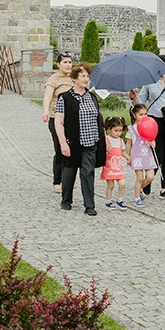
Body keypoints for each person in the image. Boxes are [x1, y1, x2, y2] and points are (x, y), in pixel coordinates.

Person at [129, 55, 165, 200]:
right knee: (156, 155)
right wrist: (134, 98)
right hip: (154, 122)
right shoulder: (150, 82)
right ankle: (148, 182)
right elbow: (141, 102)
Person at [53, 62, 102, 216]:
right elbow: (58, 122)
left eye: (88, 76)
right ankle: (66, 200)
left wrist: (104, 139)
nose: (86, 79)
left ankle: (89, 205)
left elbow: (98, 120)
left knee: (88, 173)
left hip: (90, 142)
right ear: (74, 78)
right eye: (83, 76)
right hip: (72, 141)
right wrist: (62, 143)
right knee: (69, 172)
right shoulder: (64, 98)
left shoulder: (92, 97)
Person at [41, 54, 75, 192]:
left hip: (72, 119)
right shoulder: (54, 79)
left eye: (70, 62)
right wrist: (45, 111)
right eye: (65, 62)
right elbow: (48, 96)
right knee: (60, 149)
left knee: (72, 150)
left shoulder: (73, 78)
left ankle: (68, 179)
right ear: (58, 64)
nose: (68, 65)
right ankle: (57, 180)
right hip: (57, 118)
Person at [128, 103, 157, 207]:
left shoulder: (149, 125)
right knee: (139, 178)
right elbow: (128, 143)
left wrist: (153, 142)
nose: (144, 116)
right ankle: (137, 198)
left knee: (150, 177)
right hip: (137, 155)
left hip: (148, 155)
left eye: (145, 114)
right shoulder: (132, 128)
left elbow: (152, 137)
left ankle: (139, 189)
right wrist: (128, 157)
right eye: (141, 114)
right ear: (134, 115)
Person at [100, 117, 129, 210]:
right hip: (109, 167)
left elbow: (123, 151)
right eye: (116, 130)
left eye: (120, 131)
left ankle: (120, 199)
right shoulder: (106, 140)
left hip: (118, 168)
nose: (118, 133)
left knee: (122, 183)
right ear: (109, 129)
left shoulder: (120, 140)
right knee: (111, 185)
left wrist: (129, 158)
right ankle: (108, 201)